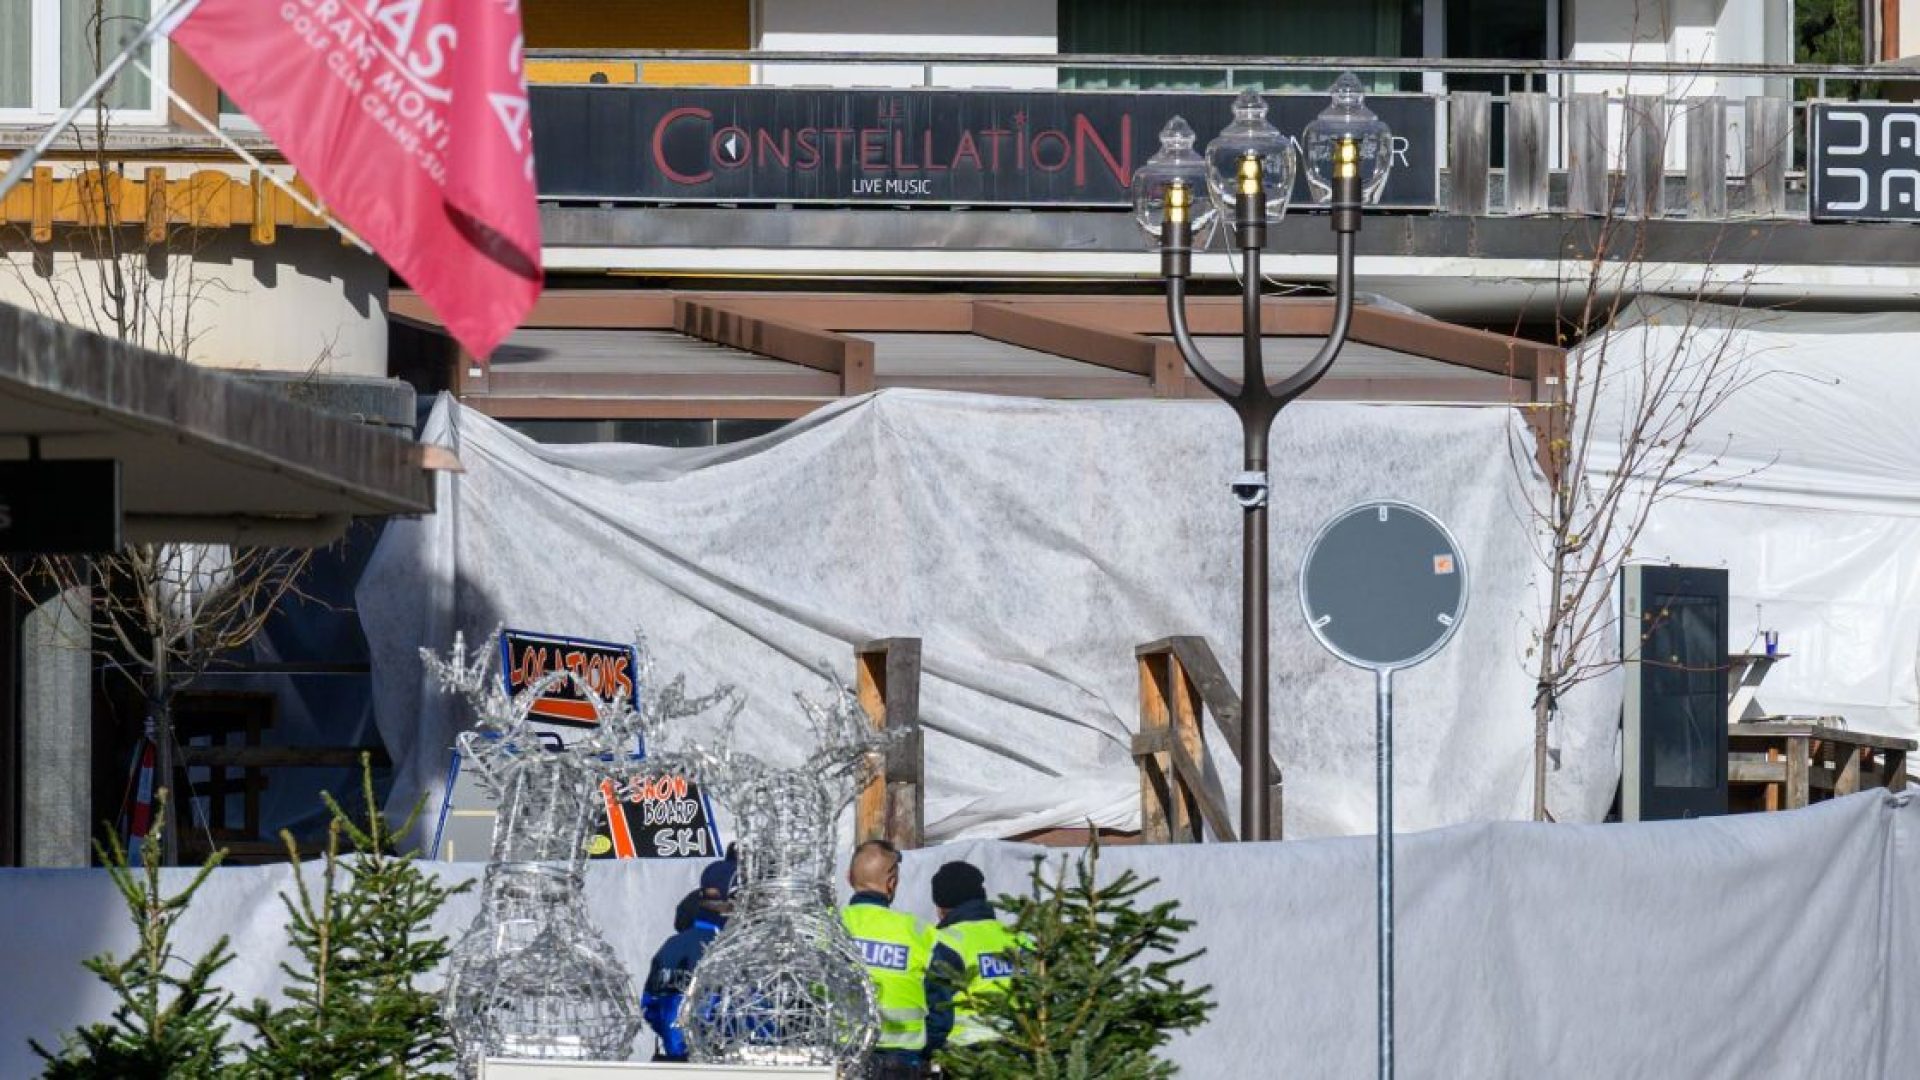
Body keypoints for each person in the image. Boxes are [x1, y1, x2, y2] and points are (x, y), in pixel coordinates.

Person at [840, 839, 960, 1079]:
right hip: (903, 1064)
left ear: (848, 877)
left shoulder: (829, 927)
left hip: (842, 1060)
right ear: (891, 883)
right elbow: (943, 1005)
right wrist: (928, 1048)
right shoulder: (920, 934)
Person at [641, 862, 734, 1062]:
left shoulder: (673, 945)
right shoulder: (733, 949)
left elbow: (651, 1006)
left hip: (676, 1062)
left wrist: (676, 1044)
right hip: (723, 1064)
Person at [930, 860, 1023, 1048]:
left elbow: (935, 1009)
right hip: (1020, 1053)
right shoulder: (1019, 939)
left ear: (941, 909)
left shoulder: (944, 942)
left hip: (965, 1057)